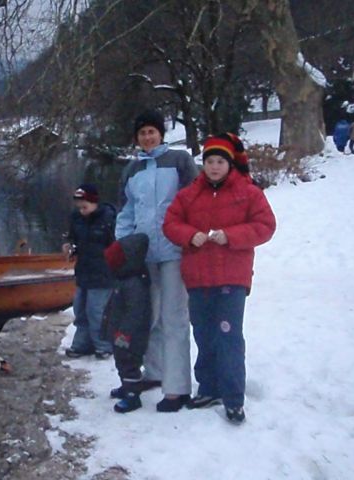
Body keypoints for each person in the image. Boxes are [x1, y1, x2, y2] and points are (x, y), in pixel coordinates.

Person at [163, 133, 276, 424]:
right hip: (198, 278)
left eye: (219, 162)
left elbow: (265, 225)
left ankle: (233, 397)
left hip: (232, 277)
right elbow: (171, 223)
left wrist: (231, 236)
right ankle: (209, 387)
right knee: (203, 334)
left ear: (229, 164)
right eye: (209, 161)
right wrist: (190, 235)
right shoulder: (190, 194)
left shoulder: (248, 192)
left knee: (228, 336)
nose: (214, 167)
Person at [116, 109, 198, 412]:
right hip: (144, 254)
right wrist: (123, 247)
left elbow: (194, 202)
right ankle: (154, 372)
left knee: (174, 317)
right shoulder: (132, 169)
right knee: (146, 317)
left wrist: (191, 237)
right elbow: (126, 212)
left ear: (161, 133)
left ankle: (177, 388)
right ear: (136, 138)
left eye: (152, 131)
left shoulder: (179, 161)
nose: (147, 137)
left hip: (175, 251)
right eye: (142, 133)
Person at [101, 233, 152, 413]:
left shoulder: (134, 284)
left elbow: (135, 313)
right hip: (119, 333)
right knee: (121, 360)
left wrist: (125, 333)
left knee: (130, 362)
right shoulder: (123, 279)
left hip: (130, 336)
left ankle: (133, 395)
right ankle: (126, 386)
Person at [63, 184, 115, 359]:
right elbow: (72, 238)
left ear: (94, 203)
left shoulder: (108, 218)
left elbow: (117, 244)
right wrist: (70, 247)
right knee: (80, 309)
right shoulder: (76, 218)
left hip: (103, 273)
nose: (82, 211)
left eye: (85, 207)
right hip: (84, 271)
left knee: (97, 311)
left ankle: (103, 345)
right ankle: (82, 343)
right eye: (79, 207)